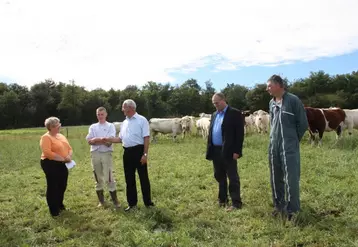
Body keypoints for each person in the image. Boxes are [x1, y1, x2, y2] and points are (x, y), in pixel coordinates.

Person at [266, 74, 308, 221]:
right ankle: (279, 206)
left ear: (279, 85)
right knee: (275, 176)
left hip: (289, 147)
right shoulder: (271, 103)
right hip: (274, 146)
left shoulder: (293, 100)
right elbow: (272, 123)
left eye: (270, 86)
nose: (267, 89)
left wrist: (292, 140)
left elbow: (303, 124)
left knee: (291, 178)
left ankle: (293, 210)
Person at [104, 99, 154, 212]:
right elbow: (120, 138)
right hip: (127, 152)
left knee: (143, 178)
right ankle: (132, 204)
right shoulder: (124, 122)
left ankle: (148, 203)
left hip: (139, 151)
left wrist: (145, 154)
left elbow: (146, 138)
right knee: (129, 179)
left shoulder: (142, 120)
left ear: (130, 108)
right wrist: (108, 139)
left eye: (123, 107)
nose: (122, 110)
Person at [206, 93, 245, 212]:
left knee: (232, 176)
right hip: (216, 150)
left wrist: (237, 151)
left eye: (217, 103)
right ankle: (222, 200)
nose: (215, 105)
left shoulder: (235, 113)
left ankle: (236, 202)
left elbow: (239, 134)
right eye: (213, 104)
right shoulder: (214, 115)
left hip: (229, 150)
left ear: (223, 100)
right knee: (219, 175)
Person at [85, 106, 120, 209]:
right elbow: (89, 141)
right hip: (95, 154)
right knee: (97, 176)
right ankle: (101, 201)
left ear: (106, 114)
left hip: (106, 154)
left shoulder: (110, 126)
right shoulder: (93, 127)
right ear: (96, 115)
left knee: (109, 177)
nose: (100, 116)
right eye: (98, 115)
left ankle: (115, 201)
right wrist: (102, 140)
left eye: (102, 114)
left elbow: (109, 142)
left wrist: (96, 140)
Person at [39, 117, 73, 217]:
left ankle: (60, 204)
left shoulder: (61, 136)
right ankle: (54, 210)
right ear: (51, 127)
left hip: (62, 163)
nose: (60, 126)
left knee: (62, 184)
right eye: (58, 125)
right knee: (53, 186)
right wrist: (63, 159)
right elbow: (48, 152)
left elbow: (69, 148)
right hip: (50, 164)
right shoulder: (46, 137)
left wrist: (68, 156)